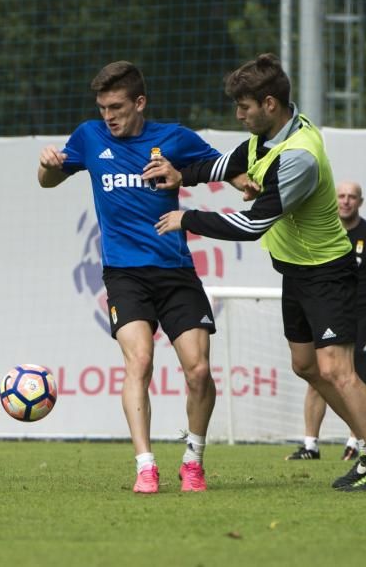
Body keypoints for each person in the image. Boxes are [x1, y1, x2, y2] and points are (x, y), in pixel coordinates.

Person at [147, 53, 366, 492]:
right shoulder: (263, 138)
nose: (238, 115)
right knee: (306, 366)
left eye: (243, 107)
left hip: (328, 273)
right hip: (298, 273)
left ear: (269, 104)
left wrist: (186, 218)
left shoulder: (299, 156)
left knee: (338, 369)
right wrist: (179, 175)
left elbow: (252, 225)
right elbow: (225, 165)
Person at [38, 60, 232, 494]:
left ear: (139, 103)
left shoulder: (174, 138)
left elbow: (222, 168)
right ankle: (145, 465)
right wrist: (48, 163)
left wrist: (247, 182)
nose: (109, 115)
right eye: (103, 107)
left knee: (198, 371)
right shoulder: (89, 137)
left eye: (117, 106)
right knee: (139, 361)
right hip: (124, 274)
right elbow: (47, 181)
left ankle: (193, 460)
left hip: (177, 273)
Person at [286, 181, 366, 461]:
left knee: (357, 376)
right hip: (326, 312)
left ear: (361, 201)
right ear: (332, 199)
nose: (346, 201)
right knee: (317, 373)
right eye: (341, 196)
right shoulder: (320, 233)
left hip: (362, 315)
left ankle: (360, 444)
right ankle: (311, 444)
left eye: (352, 197)